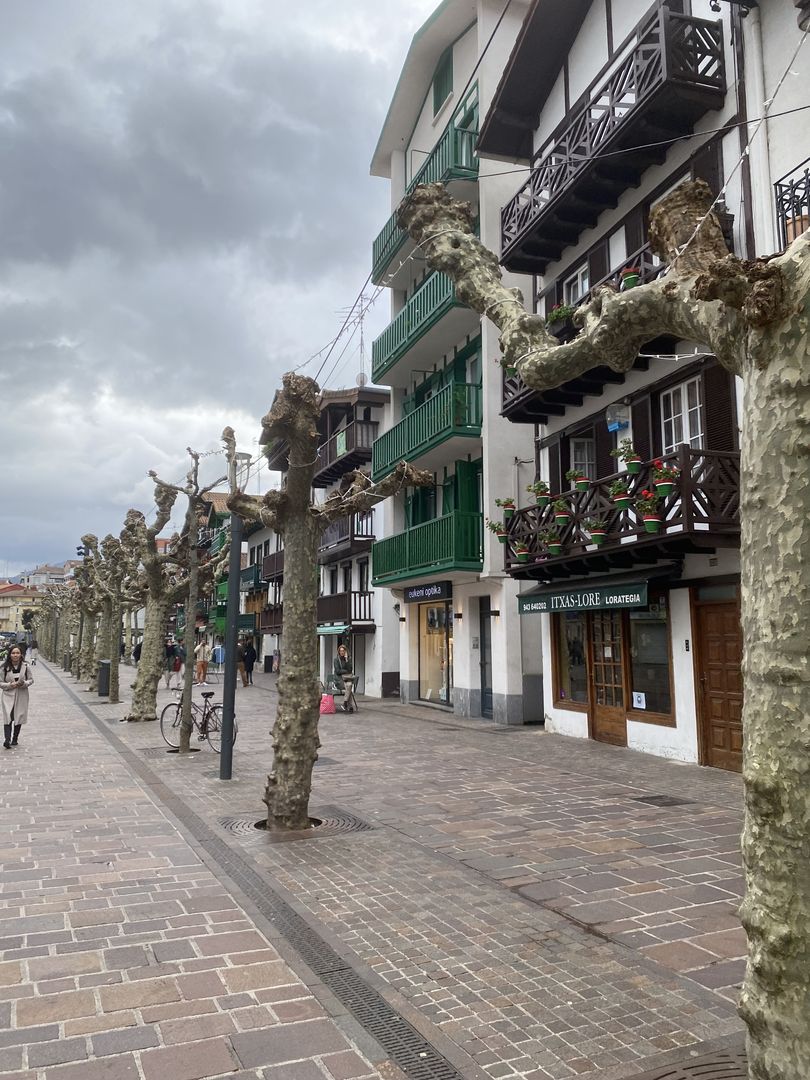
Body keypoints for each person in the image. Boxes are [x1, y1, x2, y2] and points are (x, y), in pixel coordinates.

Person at [2, 645, 34, 749]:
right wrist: (9, 685)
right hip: (8, 695)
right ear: (10, 654)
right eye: (13, 653)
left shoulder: (26, 666)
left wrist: (24, 683)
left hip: (21, 694)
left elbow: (31, 680)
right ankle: (7, 739)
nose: (15, 655)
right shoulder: (4, 667)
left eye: (17, 653)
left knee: (18, 715)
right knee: (8, 716)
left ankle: (15, 738)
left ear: (21, 655)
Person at [333, 644, 353, 713]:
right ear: (339, 652)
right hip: (339, 680)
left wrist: (347, 659)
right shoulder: (336, 660)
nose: (342, 652)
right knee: (348, 689)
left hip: (347, 679)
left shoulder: (348, 659)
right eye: (340, 651)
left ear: (345, 651)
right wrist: (345, 671)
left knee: (349, 685)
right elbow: (338, 671)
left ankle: (345, 702)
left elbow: (350, 669)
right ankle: (350, 706)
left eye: (343, 651)